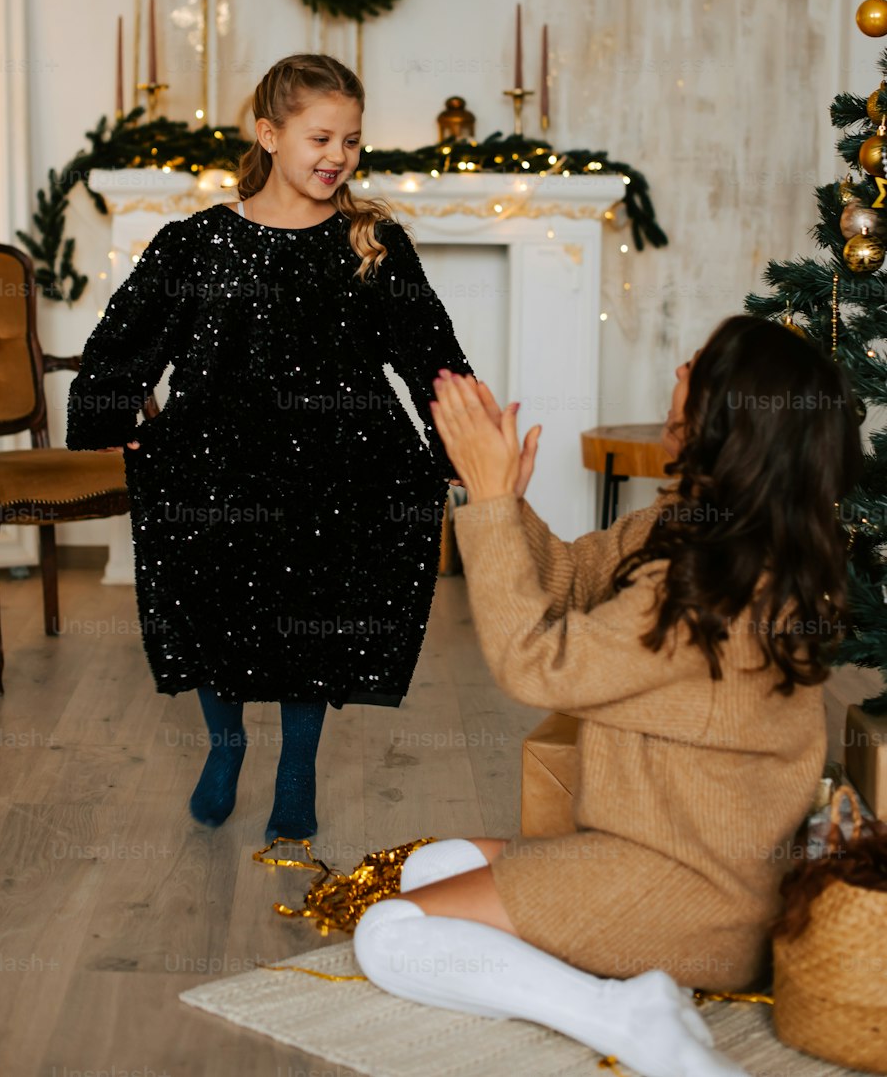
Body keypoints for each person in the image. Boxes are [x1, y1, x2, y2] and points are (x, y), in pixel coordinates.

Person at [352, 315, 863, 1077]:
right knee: (427, 872)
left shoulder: (714, 594)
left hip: (699, 897)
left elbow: (537, 663)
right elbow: (564, 581)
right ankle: (619, 986)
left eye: (692, 367)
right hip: (652, 855)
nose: (675, 378)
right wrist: (501, 498)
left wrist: (489, 507)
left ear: (726, 412)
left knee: (386, 935)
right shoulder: (691, 530)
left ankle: (624, 1016)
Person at [65, 53, 475, 839]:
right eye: (321, 137)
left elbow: (431, 352)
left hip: (336, 465)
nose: (338, 157)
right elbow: (126, 341)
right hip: (215, 463)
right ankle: (225, 743)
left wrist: (461, 445)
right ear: (268, 134)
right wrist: (118, 422)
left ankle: (297, 768)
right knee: (214, 604)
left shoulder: (372, 246)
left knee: (312, 612)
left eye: (352, 141)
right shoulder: (197, 245)